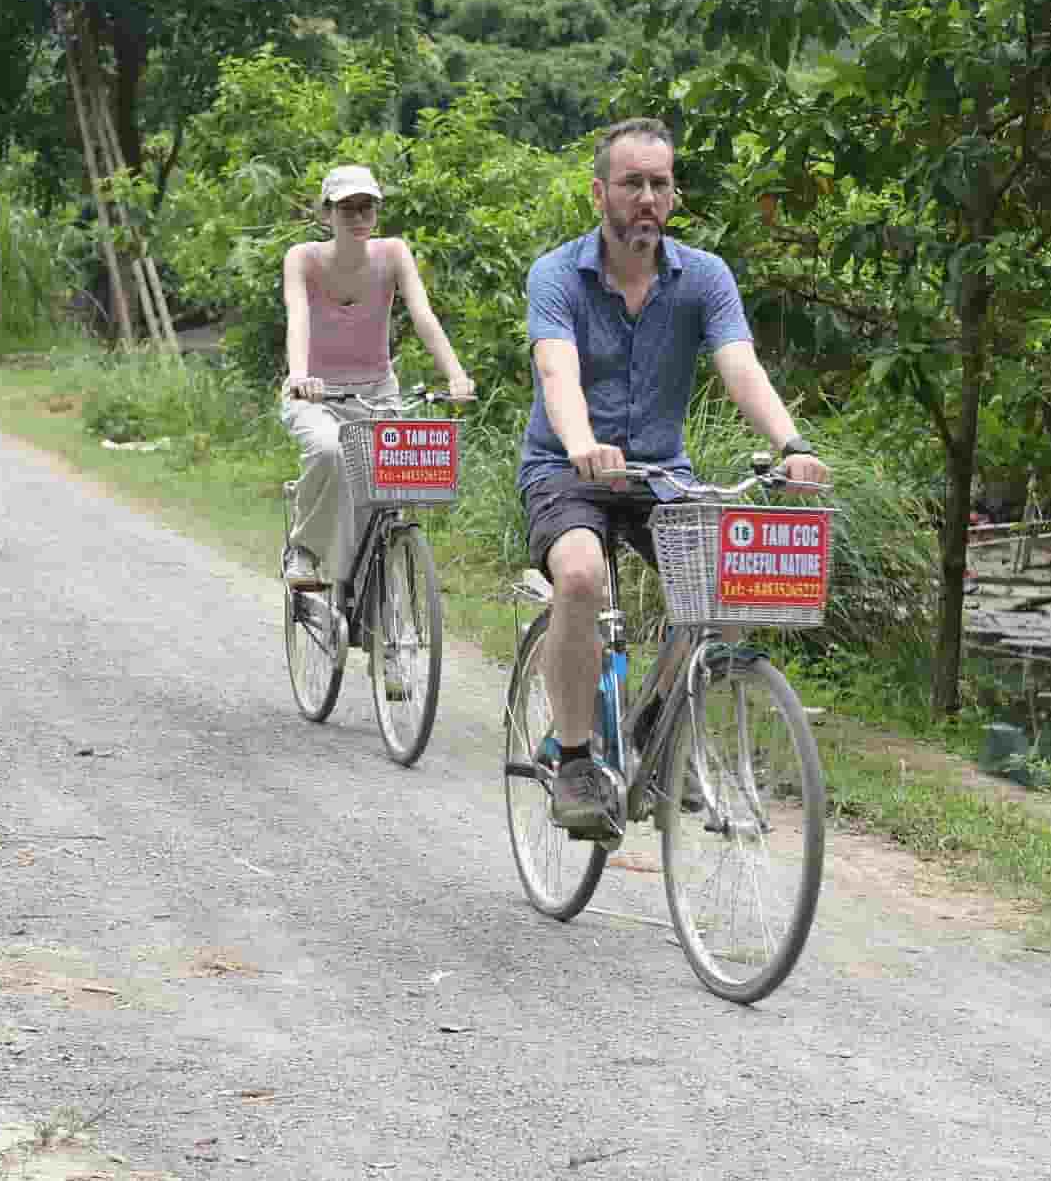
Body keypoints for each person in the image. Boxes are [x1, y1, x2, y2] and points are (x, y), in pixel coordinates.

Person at [521, 117, 831, 845]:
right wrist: (583, 442)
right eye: (632, 183)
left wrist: (790, 441)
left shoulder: (705, 278)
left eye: (660, 184)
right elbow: (556, 370)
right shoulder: (557, 274)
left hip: (660, 474)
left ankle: (657, 726)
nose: (647, 198)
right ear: (601, 191)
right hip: (568, 470)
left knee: (728, 592)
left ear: (674, 196)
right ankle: (571, 759)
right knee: (578, 576)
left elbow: (740, 366)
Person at [280, 163, 475, 593]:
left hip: (378, 390)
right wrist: (300, 376)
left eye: (366, 207)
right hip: (316, 392)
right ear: (326, 214)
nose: (358, 217)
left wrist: (456, 373)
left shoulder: (393, 253)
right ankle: (305, 549)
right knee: (330, 451)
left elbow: (423, 315)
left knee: (385, 493)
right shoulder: (303, 259)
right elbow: (298, 318)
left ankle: (374, 596)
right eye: (346, 208)